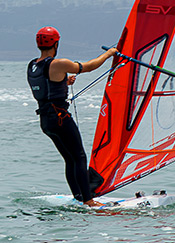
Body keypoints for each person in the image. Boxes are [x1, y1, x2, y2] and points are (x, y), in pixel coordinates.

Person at [27, 26, 118, 206]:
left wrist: (63, 81)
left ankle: (78, 196)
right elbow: (89, 67)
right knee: (79, 157)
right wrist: (109, 54)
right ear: (56, 44)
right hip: (60, 118)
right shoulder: (58, 64)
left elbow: (44, 87)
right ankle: (88, 201)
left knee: (70, 159)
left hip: (46, 121)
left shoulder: (32, 65)